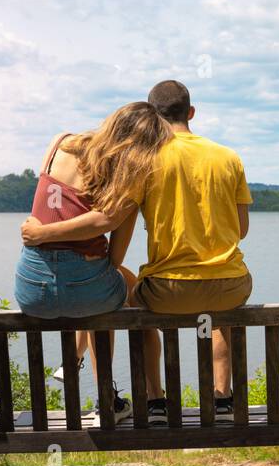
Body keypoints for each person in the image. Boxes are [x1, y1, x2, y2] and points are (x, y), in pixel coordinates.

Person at [22, 80, 252, 425]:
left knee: (120, 288)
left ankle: (154, 398)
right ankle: (222, 397)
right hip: (230, 287)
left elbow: (114, 240)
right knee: (221, 307)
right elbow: (241, 230)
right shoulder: (229, 157)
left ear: (153, 119)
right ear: (191, 113)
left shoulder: (144, 162)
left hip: (166, 292)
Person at [14, 101, 171, 422]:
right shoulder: (128, 177)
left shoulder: (59, 143)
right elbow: (113, 257)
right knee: (123, 291)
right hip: (85, 289)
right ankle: (125, 398)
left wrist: (42, 235)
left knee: (105, 289)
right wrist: (53, 237)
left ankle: (75, 358)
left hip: (31, 289)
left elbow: (47, 206)